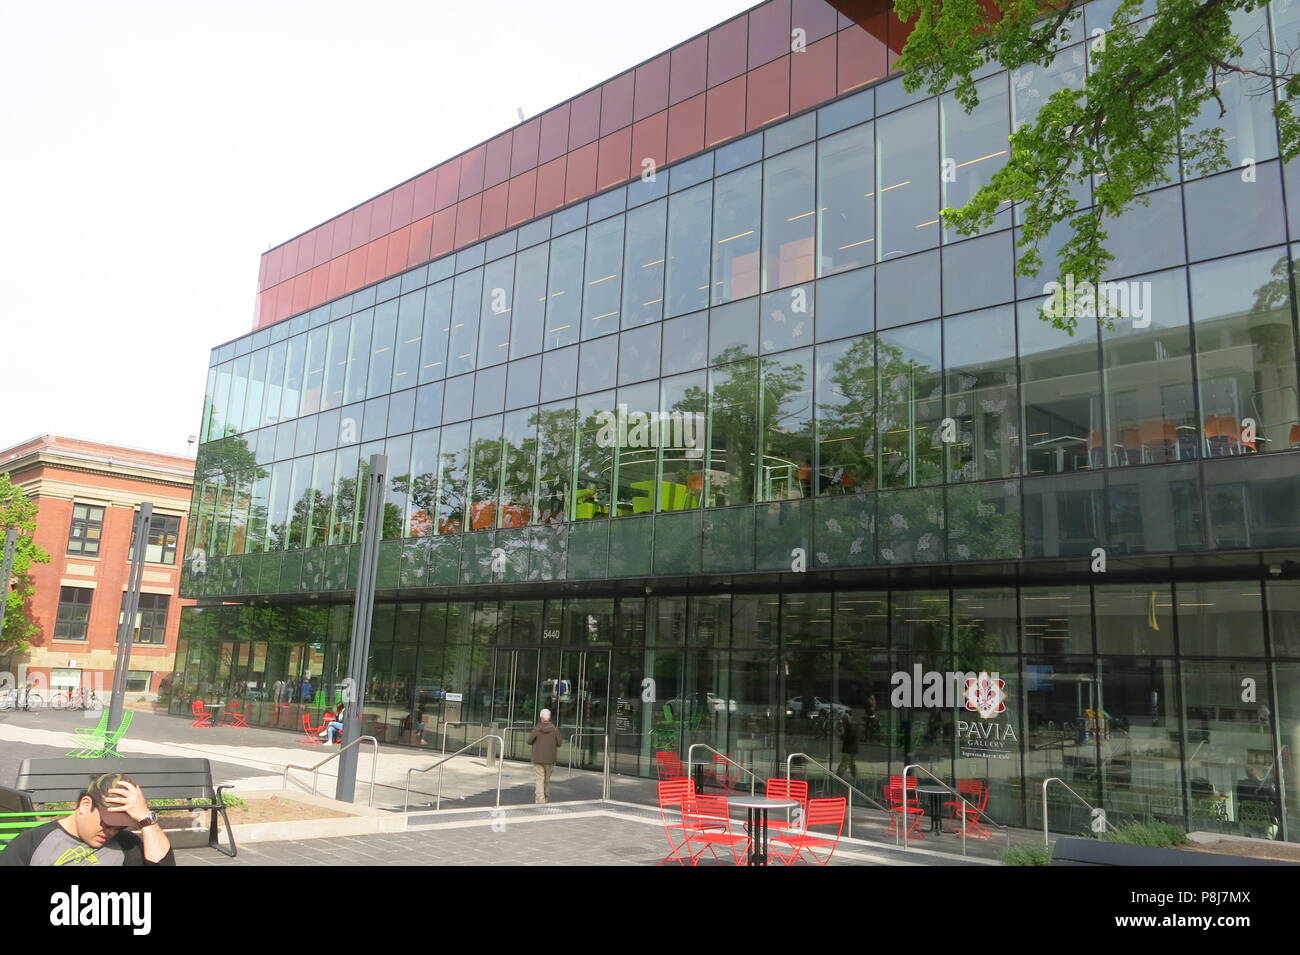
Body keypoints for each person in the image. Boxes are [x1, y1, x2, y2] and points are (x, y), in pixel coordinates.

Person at [0, 772, 174, 866]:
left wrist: (147, 821)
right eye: (108, 824)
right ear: (85, 804)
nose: (111, 832)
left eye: (120, 828)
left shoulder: (127, 845)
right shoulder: (32, 843)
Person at [527, 708, 563, 804]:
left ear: (541, 717)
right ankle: (546, 799)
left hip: (537, 758)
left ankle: (540, 801)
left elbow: (529, 741)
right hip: (550, 759)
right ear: (549, 718)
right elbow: (559, 743)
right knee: (547, 780)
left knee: (539, 780)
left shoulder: (537, 728)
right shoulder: (554, 729)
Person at [835, 713, 858, 780]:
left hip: (849, 748)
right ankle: (855, 776)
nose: (842, 721)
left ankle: (838, 776)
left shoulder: (850, 726)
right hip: (852, 748)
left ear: (846, 720)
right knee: (851, 764)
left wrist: (842, 736)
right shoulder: (850, 726)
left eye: (843, 720)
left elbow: (850, 738)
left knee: (844, 763)